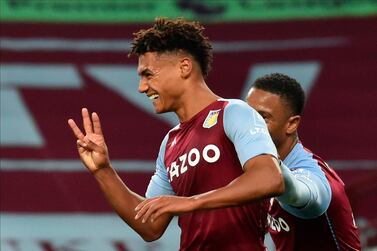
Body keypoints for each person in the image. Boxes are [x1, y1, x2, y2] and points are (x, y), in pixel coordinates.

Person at [68, 18, 284, 251]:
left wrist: (190, 202)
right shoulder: (170, 143)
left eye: (148, 74)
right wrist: (103, 171)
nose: (141, 87)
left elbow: (270, 178)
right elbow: (150, 225)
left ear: (184, 67)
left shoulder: (233, 113)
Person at [246, 73, 361, 251]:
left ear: (291, 124)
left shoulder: (312, 176)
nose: (248, 125)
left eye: (263, 118)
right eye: (246, 114)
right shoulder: (255, 164)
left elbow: (301, 194)